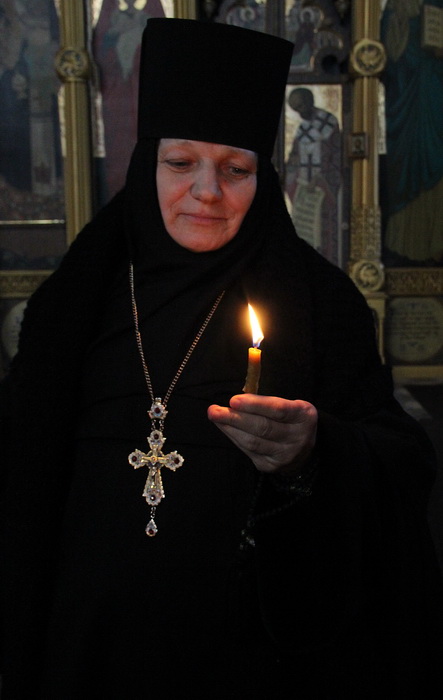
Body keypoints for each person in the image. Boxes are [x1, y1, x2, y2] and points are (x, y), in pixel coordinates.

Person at [0, 18, 442, 700]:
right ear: (145, 166)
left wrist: (312, 452)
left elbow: (401, 463)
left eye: (235, 170)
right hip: (88, 653)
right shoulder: (76, 300)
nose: (207, 190)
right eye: (181, 164)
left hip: (252, 666)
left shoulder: (320, 302)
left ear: (263, 177)